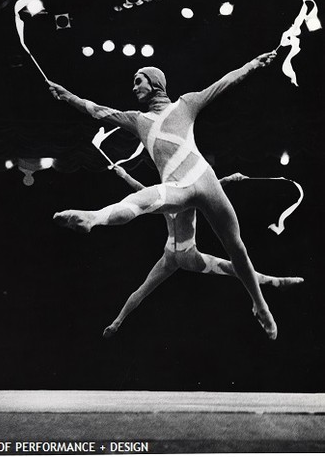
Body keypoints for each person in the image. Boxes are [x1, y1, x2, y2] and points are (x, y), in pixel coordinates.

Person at [49, 50, 295, 340]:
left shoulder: (186, 104)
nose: (133, 86)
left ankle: (260, 305)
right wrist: (66, 95)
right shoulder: (136, 120)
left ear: (155, 84)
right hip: (177, 188)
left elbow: (224, 82)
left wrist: (253, 64)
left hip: (205, 181)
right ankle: (94, 217)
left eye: (138, 80)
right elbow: (95, 109)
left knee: (236, 247)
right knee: (140, 202)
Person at [102, 165, 303, 338]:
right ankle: (275, 282)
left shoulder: (164, 199)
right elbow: (211, 190)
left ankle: (118, 322)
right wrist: (230, 179)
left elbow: (139, 190)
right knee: (237, 268)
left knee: (143, 289)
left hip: (170, 256)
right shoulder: (188, 196)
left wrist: (124, 175)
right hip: (187, 256)